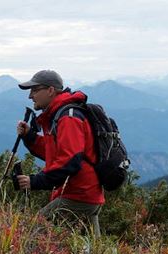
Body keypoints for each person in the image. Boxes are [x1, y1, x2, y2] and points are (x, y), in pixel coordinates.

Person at [16, 70, 104, 237]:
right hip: (86, 194)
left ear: (50, 90)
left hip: (78, 195)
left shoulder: (68, 118)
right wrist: (30, 137)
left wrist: (35, 181)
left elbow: (69, 161)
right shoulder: (58, 115)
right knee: (91, 251)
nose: (30, 96)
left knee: (33, 234)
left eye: (35, 90)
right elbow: (55, 153)